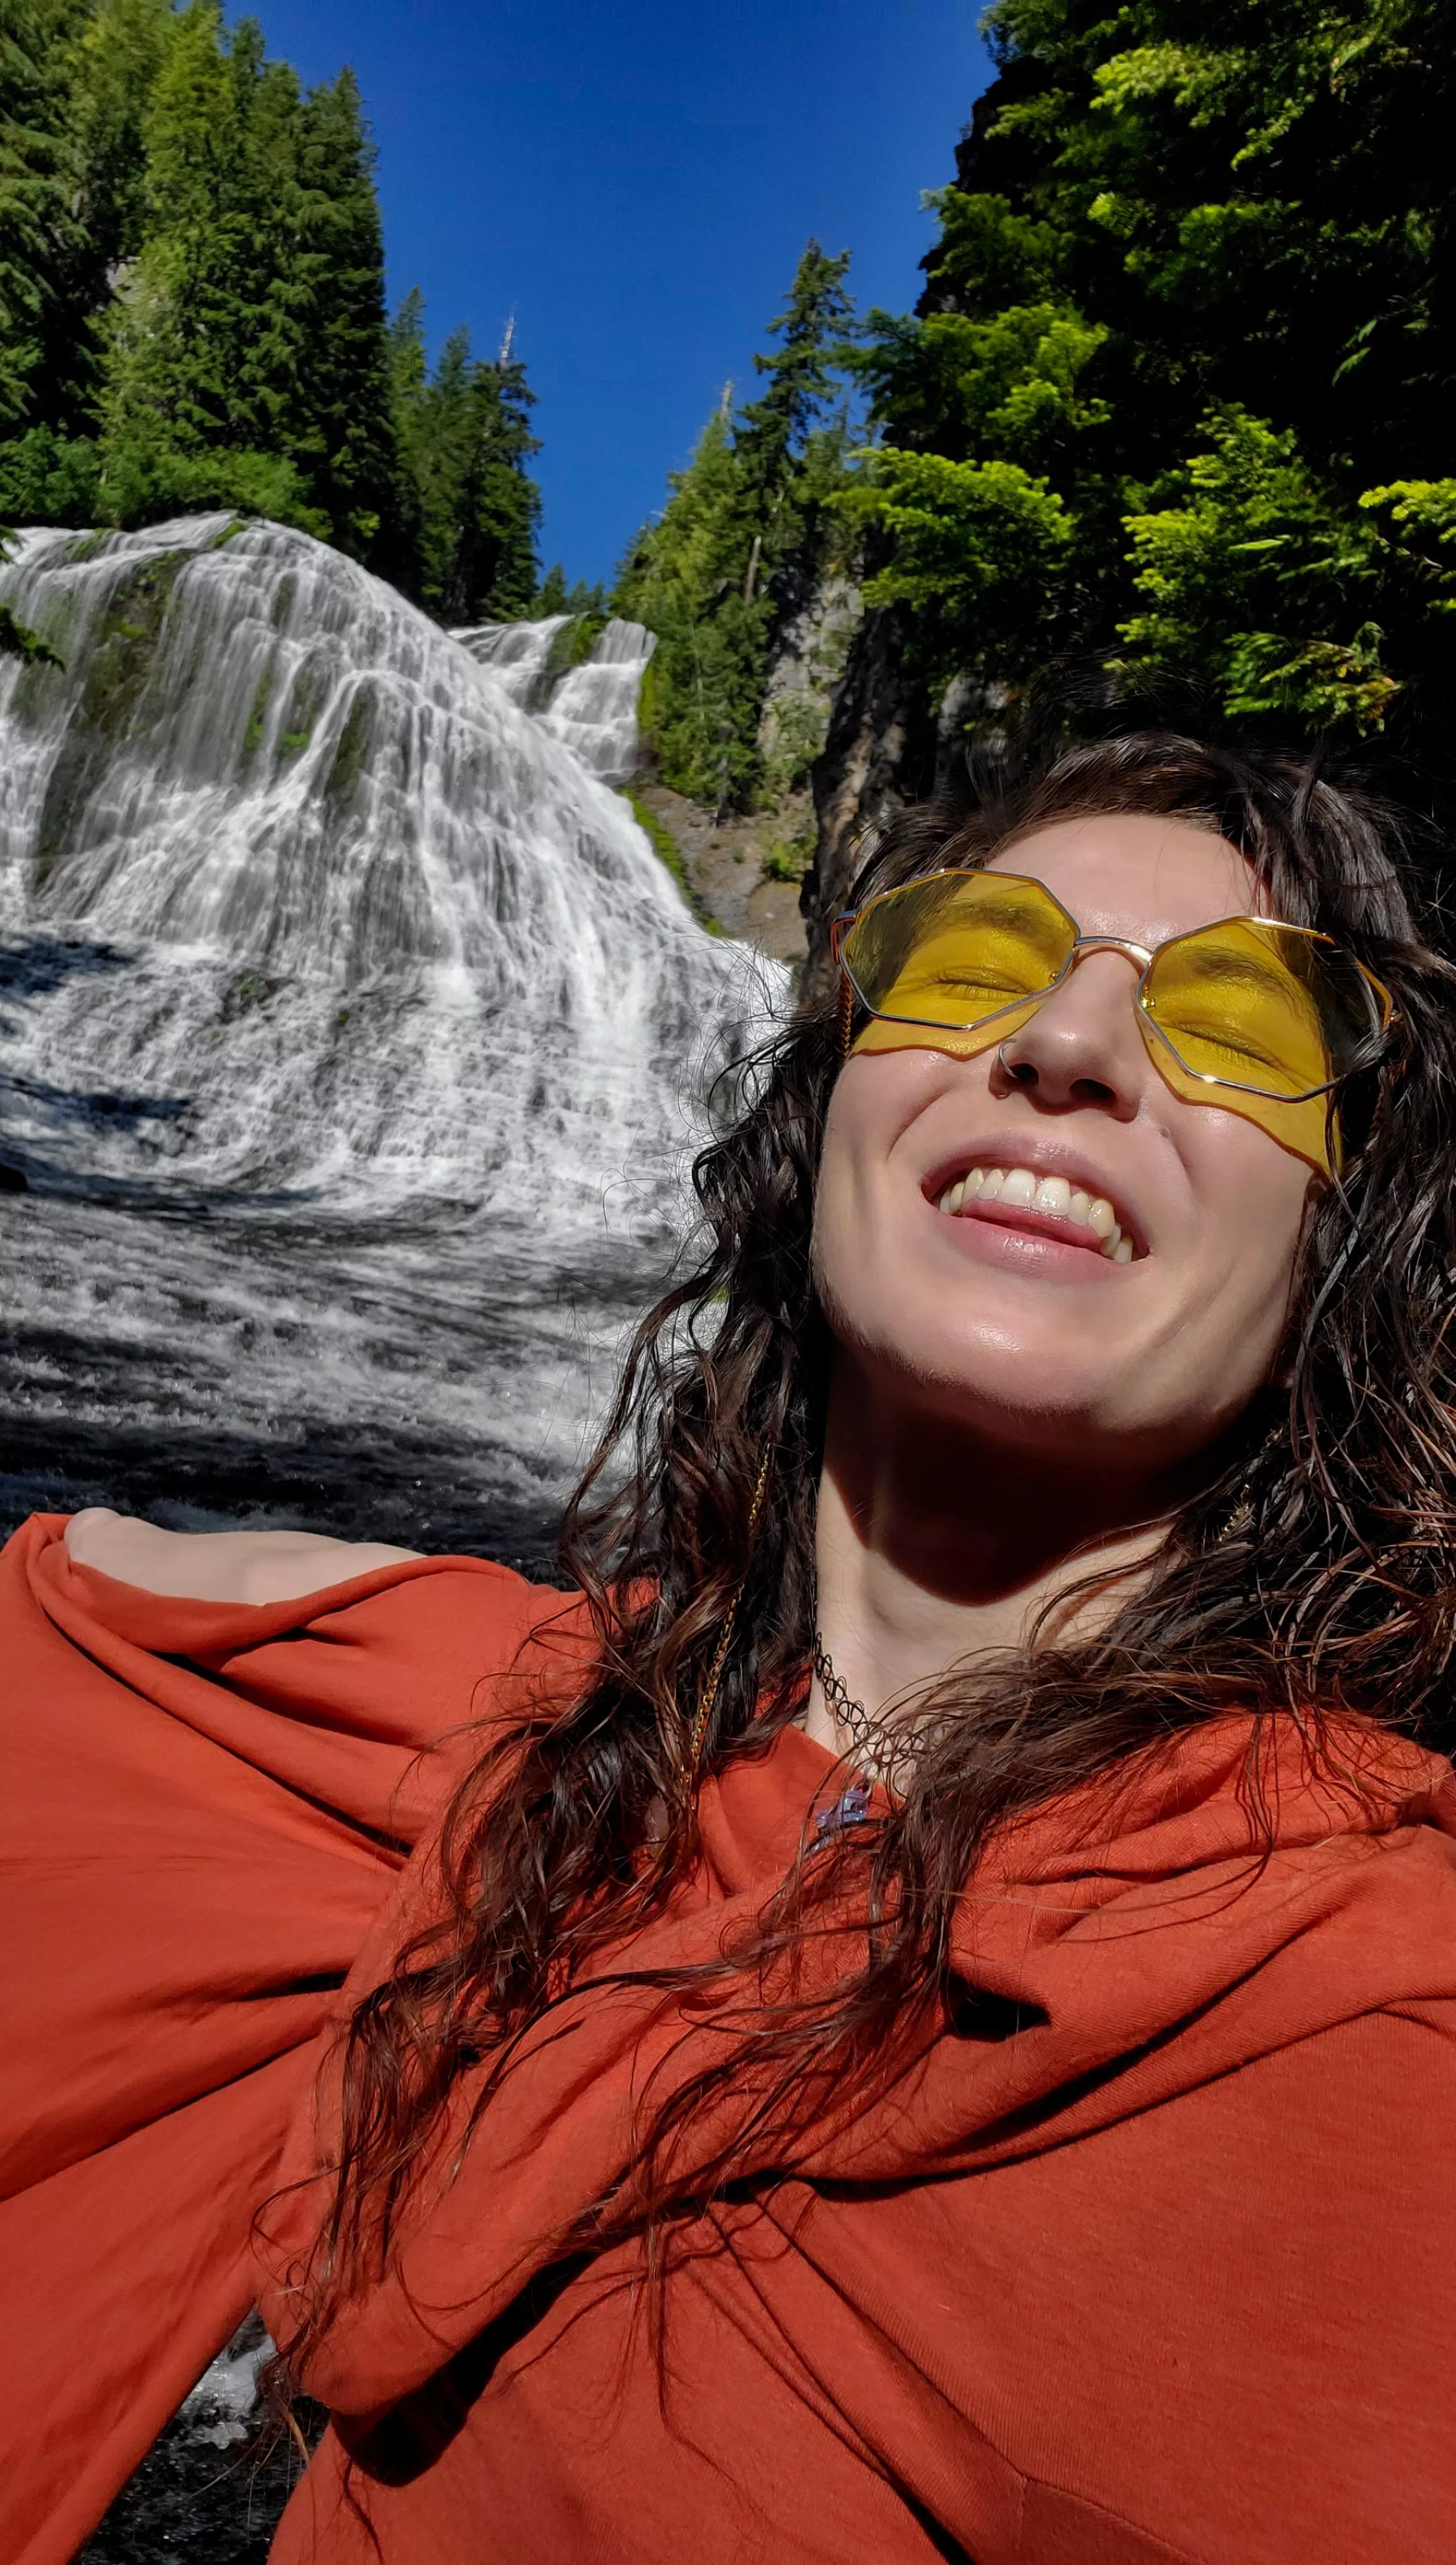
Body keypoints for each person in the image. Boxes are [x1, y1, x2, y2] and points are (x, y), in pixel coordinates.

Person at [5, 723, 1456, 2565]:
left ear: (1352, 1250)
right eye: (975, 960)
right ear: (827, 1109)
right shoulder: (496, 1728)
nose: (1065, 1045)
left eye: (1244, 1023)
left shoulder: (1366, 2035)